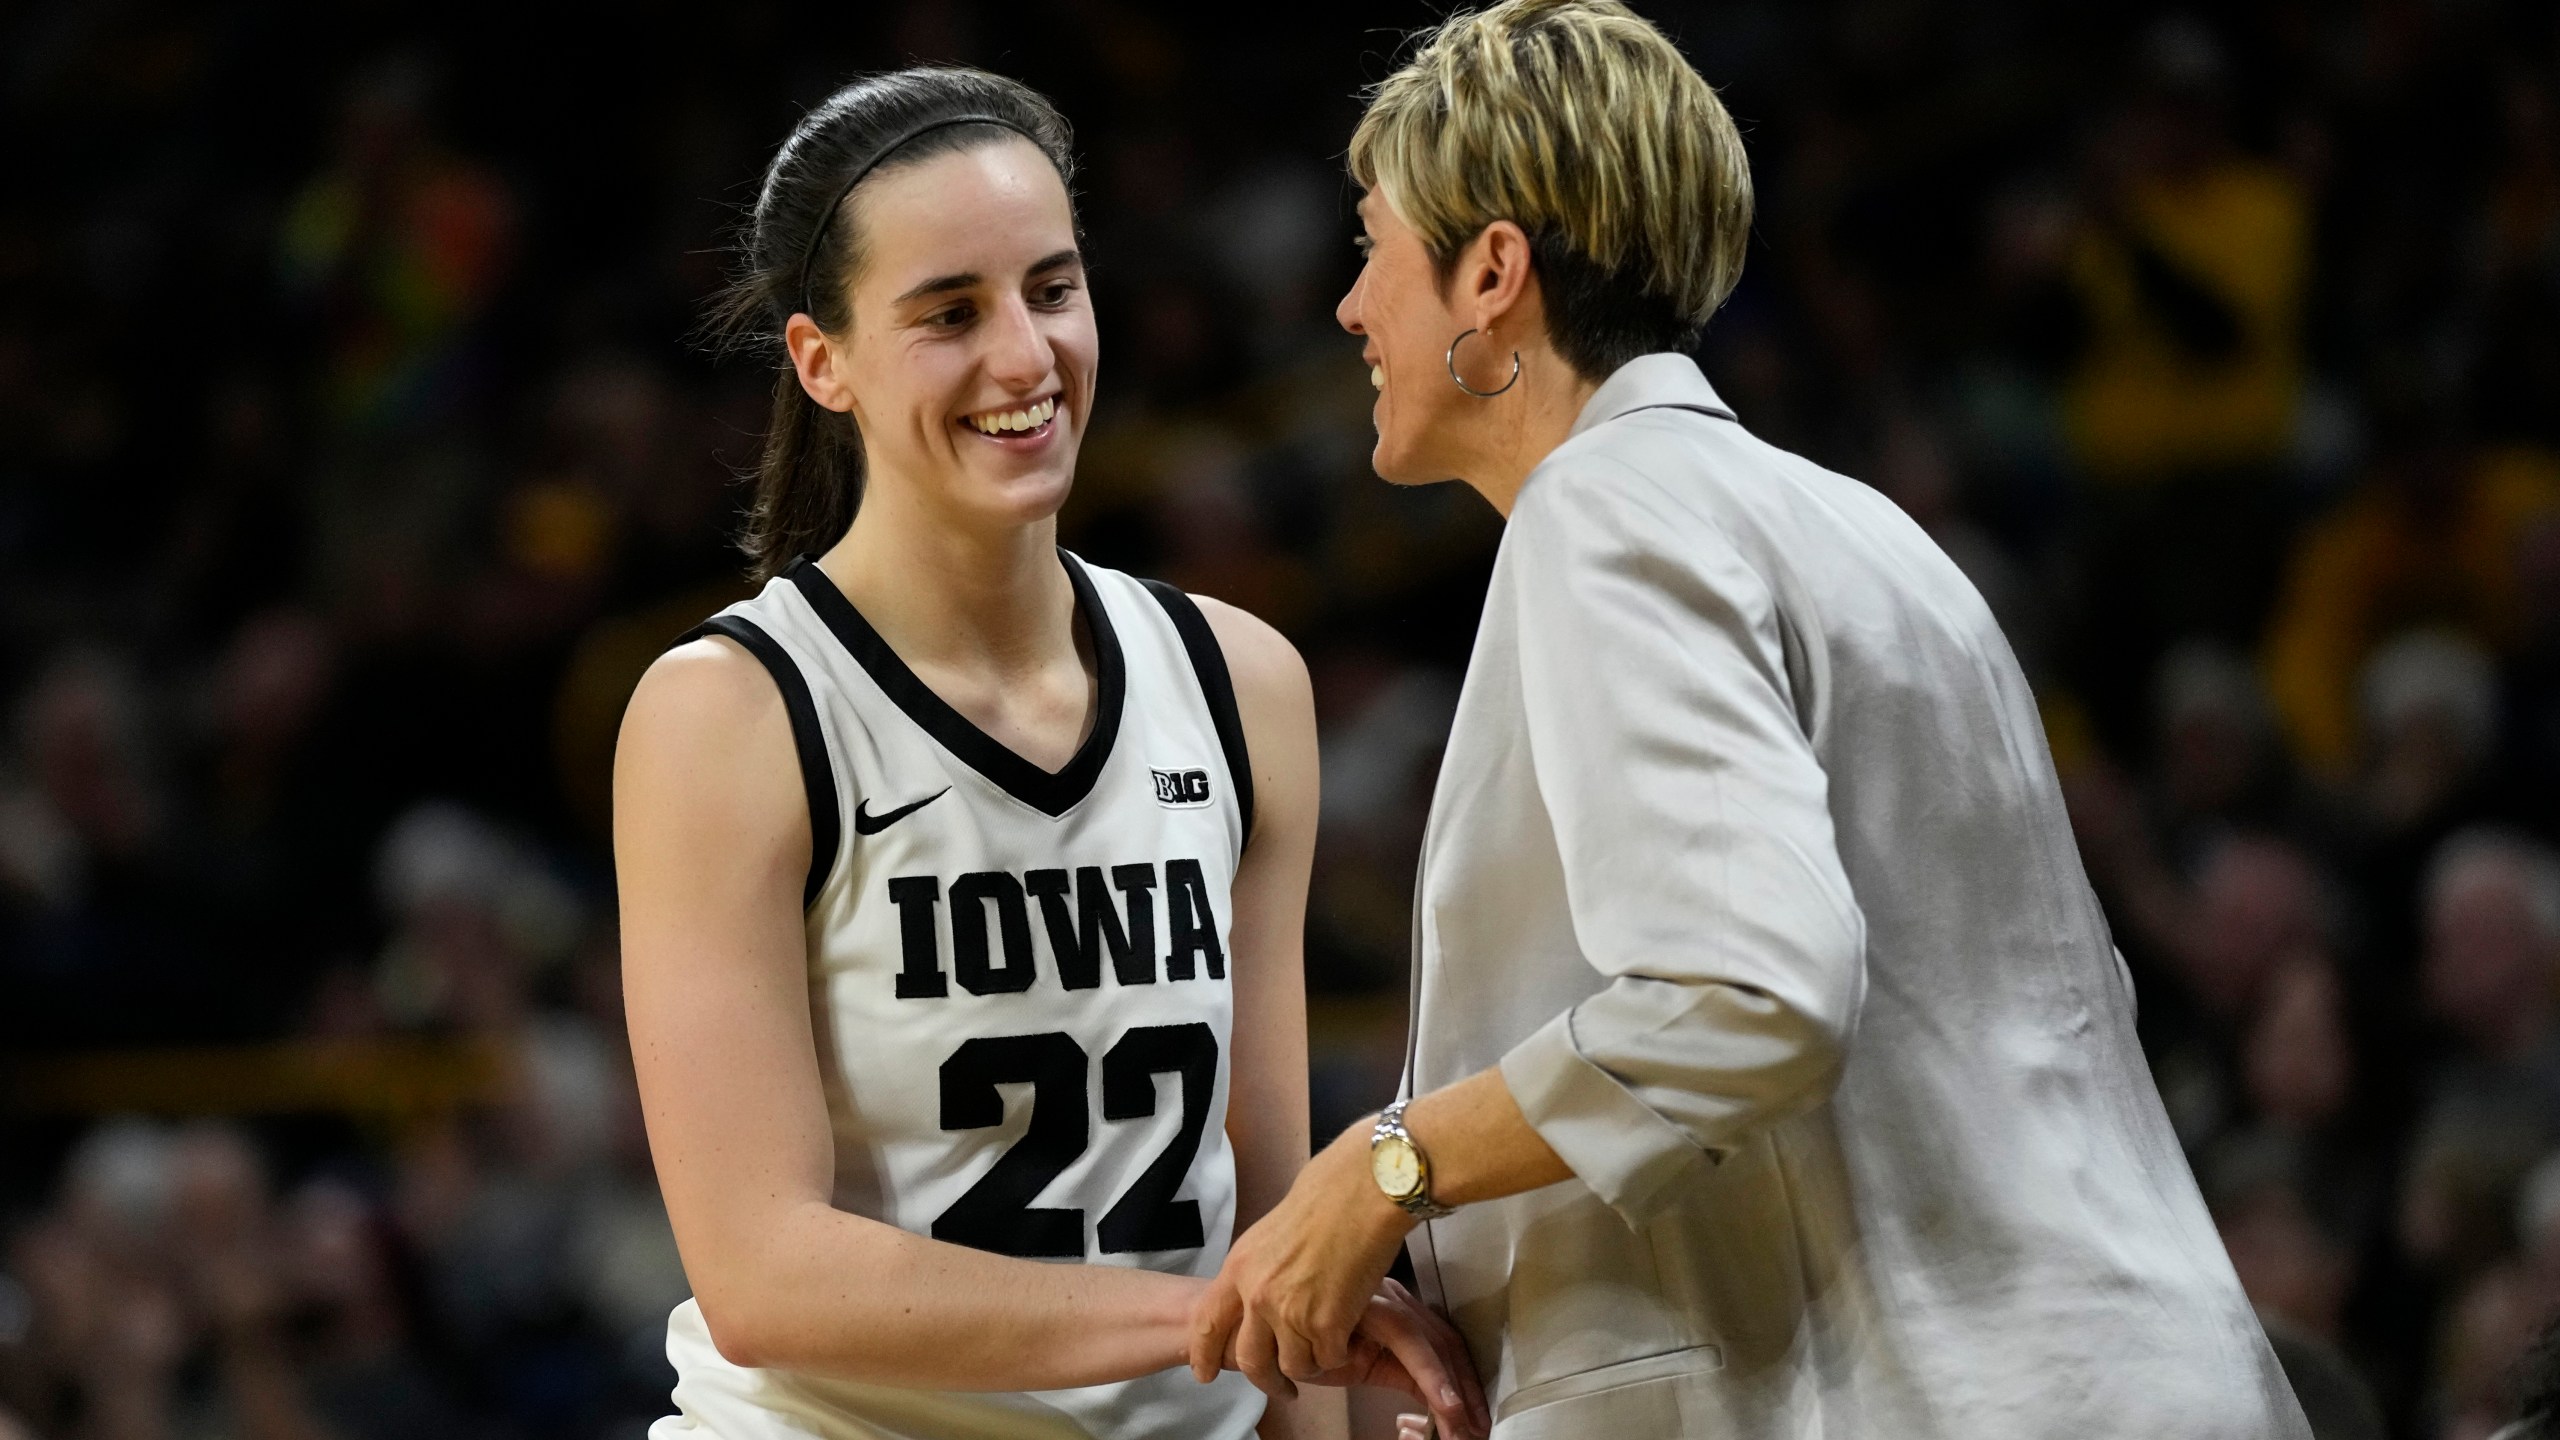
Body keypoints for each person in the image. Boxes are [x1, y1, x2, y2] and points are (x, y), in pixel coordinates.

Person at [1187, 4, 2314, 1434]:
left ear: (1490, 272)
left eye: (1372, 247)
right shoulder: (1873, 533)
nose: (1350, 308)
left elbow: (1747, 992)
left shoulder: (1605, 510)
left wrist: (1389, 1165)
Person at [613, 68, 1480, 1440]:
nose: (1023, 356)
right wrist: (1237, 1308)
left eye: (1053, 289)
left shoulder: (1241, 681)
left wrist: (1287, 1327)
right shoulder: (732, 709)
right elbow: (761, 1274)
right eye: (950, 312)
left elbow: (1263, 1195)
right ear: (820, 359)